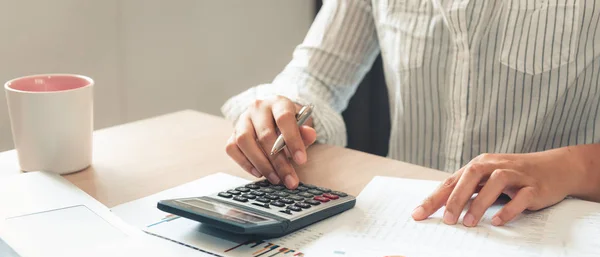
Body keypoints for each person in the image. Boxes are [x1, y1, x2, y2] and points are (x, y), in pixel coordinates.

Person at [221, 0, 600, 228]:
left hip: (554, 235)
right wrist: (283, 108)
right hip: (412, 227)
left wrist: (574, 168)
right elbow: (318, 74)